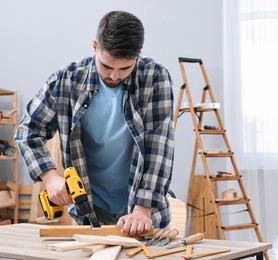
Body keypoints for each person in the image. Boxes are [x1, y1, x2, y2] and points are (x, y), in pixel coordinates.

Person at [15, 10, 174, 236]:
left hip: (142, 215)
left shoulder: (155, 78)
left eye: (125, 68)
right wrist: (50, 177)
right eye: (107, 66)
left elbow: (160, 148)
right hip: (90, 213)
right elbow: (27, 131)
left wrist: (142, 210)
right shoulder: (65, 82)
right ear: (94, 47)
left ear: (137, 56)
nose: (115, 76)